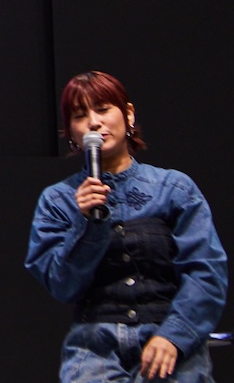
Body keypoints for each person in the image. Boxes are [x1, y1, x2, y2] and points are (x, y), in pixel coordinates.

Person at [26, 71, 227, 382]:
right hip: (95, 349)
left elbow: (207, 272)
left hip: (167, 340)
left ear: (128, 114)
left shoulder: (174, 188)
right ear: (71, 132)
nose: (94, 122)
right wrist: (86, 223)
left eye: (103, 109)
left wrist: (174, 335)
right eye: (80, 115)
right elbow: (63, 286)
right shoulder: (58, 200)